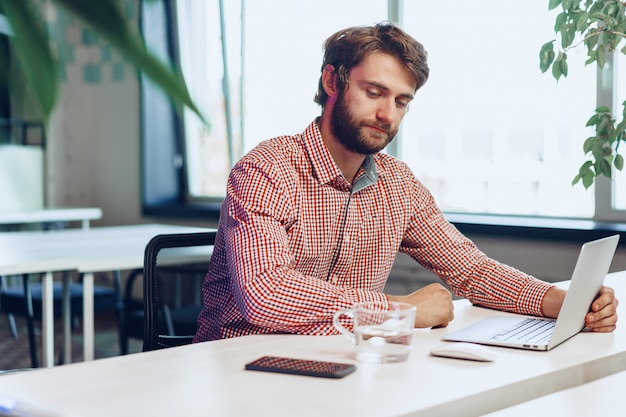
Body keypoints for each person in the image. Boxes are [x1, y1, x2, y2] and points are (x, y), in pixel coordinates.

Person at [193, 21, 618, 343]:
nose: (388, 115)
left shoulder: (398, 183)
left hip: (345, 364)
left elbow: (470, 269)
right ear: (331, 82)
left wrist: (557, 303)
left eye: (401, 101)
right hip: (243, 368)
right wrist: (399, 310)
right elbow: (265, 292)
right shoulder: (266, 168)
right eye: (374, 92)